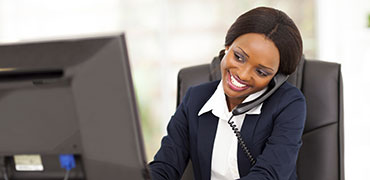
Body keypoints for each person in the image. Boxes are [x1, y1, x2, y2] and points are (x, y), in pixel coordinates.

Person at [149, 6, 306, 180]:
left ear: (278, 78)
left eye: (261, 72)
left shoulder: (289, 104)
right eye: (239, 57)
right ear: (227, 47)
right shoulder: (195, 99)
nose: (243, 74)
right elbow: (165, 167)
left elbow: (269, 175)